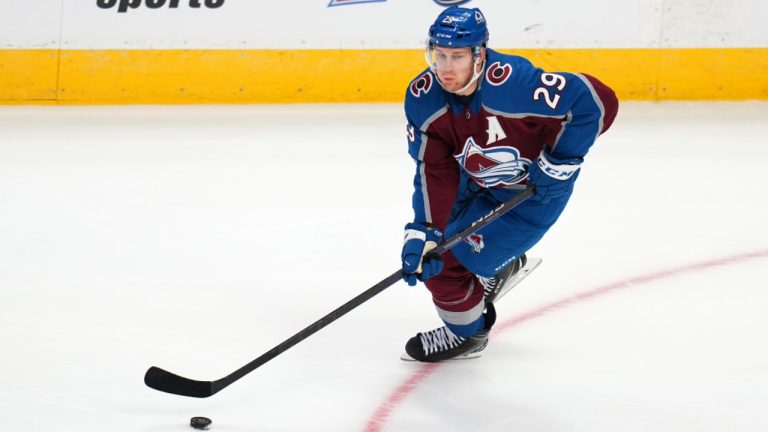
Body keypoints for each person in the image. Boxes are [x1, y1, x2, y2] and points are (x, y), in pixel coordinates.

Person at [400, 6, 619, 362]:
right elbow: (433, 169)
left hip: (530, 196)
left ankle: (467, 335)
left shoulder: (515, 84)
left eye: (457, 57)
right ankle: (498, 266)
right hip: (473, 180)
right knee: (434, 252)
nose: (445, 68)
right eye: (439, 55)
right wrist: (424, 228)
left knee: (449, 266)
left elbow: (594, 101)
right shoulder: (424, 98)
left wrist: (561, 161)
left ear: (480, 54)